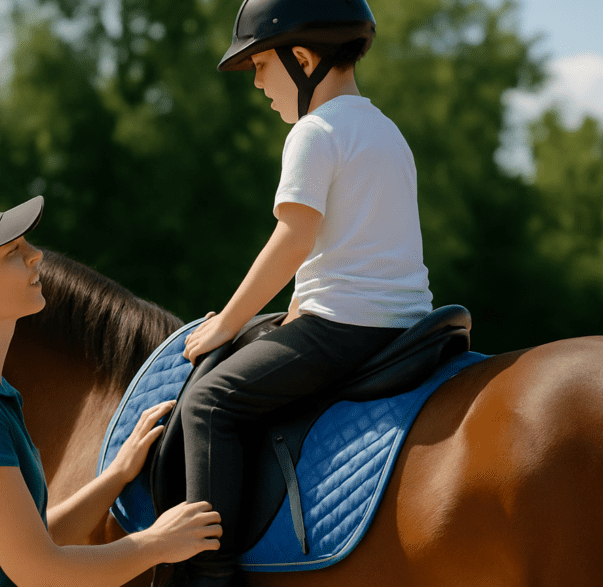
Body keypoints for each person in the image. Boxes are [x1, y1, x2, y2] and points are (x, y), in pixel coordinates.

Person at [175, 0, 434, 584]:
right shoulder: (385, 130)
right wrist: (292, 309)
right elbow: (353, 247)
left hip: (344, 327)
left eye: (262, 66)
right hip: (407, 325)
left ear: (301, 58)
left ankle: (207, 575)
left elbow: (293, 241)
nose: (260, 84)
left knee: (209, 403)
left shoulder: (314, 132)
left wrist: (224, 324)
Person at [0, 196, 222, 587]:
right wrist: (156, 544)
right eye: (12, 252)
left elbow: (35, 541)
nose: (36, 256)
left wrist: (117, 475)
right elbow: (40, 571)